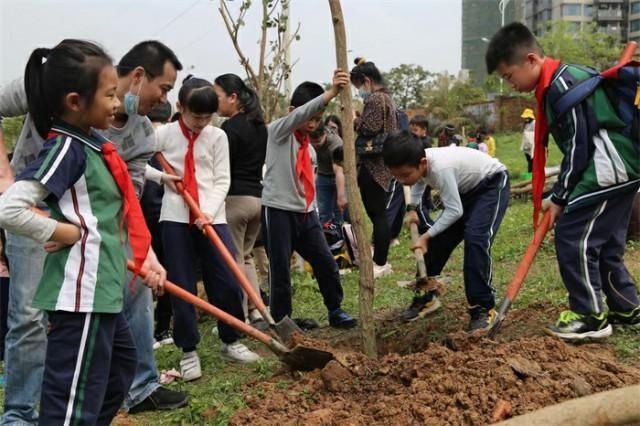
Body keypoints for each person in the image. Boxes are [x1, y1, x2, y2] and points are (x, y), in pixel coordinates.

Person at [0, 40, 187, 423]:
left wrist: (145, 256)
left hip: (103, 280)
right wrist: (61, 230)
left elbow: (123, 207)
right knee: (67, 388)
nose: (117, 104)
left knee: (121, 364)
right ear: (74, 101)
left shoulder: (100, 144)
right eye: (109, 96)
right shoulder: (68, 147)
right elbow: (10, 208)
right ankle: (20, 415)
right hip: (81, 289)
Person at [486, 22, 640, 339]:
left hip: (610, 166)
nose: (509, 84)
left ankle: (589, 315)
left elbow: (579, 148)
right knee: (607, 242)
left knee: (573, 234)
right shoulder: (563, 77)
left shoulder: (561, 85)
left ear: (530, 59)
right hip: (622, 164)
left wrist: (559, 198)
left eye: (508, 75)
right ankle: (627, 307)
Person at [148, 76, 261, 382]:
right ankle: (188, 351)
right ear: (179, 107)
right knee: (183, 284)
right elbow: (133, 161)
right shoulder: (163, 135)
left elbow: (222, 179)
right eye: (195, 116)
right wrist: (161, 178)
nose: (200, 123)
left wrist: (208, 212)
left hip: (213, 217)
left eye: (207, 117)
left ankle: (231, 339)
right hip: (175, 217)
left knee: (226, 279)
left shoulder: (217, 137)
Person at [383, 131, 510, 329]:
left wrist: (425, 236)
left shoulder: (441, 168)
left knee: (476, 239)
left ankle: (484, 308)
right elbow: (418, 181)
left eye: (405, 175)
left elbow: (454, 211)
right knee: (438, 241)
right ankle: (427, 295)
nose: (402, 181)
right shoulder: (420, 164)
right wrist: (412, 208)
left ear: (422, 163)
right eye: (397, 177)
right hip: (465, 191)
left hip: (491, 185)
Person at [261, 70, 357, 329]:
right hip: (278, 211)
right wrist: (332, 92)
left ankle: (335, 308)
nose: (313, 124)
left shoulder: (309, 148)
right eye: (309, 117)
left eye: (317, 119)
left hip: (306, 213)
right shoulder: (278, 132)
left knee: (325, 261)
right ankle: (283, 321)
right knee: (281, 269)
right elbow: (302, 114)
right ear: (293, 110)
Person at [214, 73, 268, 325]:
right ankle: (256, 309)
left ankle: (240, 316)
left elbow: (223, 167)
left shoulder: (230, 129)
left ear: (233, 97)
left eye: (218, 97)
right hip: (257, 198)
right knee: (245, 257)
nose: (216, 103)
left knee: (234, 260)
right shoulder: (259, 125)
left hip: (235, 199)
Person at [350, 57, 399, 278]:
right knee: (379, 215)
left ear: (367, 81)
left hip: (374, 166)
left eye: (359, 86)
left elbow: (369, 127)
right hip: (382, 165)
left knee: (378, 216)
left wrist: (354, 120)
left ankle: (380, 261)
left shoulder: (376, 99)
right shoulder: (387, 98)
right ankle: (380, 259)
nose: (359, 92)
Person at [142, 101, 174, 349]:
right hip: (167, 215)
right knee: (166, 271)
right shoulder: (171, 140)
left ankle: (149, 329)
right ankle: (163, 329)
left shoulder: (140, 138)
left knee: (143, 275)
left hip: (141, 216)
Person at [309, 120, 345, 225]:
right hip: (322, 175)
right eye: (313, 142)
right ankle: (326, 235)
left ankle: (339, 234)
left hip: (337, 176)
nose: (315, 145)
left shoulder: (335, 142)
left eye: (318, 142)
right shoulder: (307, 140)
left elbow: (338, 170)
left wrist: (341, 195)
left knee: (339, 211)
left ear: (325, 134)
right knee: (324, 212)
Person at [520, 108, 535, 173]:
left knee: (533, 161)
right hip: (527, 146)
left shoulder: (534, 123)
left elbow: (535, 134)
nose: (525, 118)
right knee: (529, 161)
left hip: (532, 146)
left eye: (526, 117)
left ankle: (533, 174)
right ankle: (530, 175)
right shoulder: (527, 123)